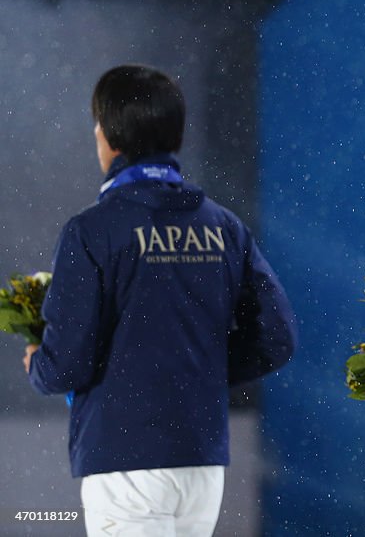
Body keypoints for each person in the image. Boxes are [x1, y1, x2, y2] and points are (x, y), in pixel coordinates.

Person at [23, 64, 298, 537]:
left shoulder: (92, 231)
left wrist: (37, 364)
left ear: (109, 136)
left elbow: (66, 363)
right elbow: (277, 338)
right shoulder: (224, 228)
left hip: (125, 461)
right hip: (201, 461)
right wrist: (195, 368)